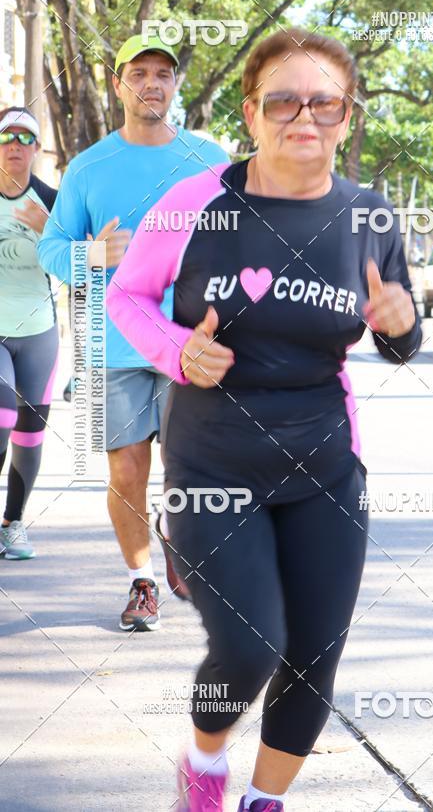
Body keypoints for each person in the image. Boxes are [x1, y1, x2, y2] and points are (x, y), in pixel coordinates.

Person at [107, 27, 422, 811]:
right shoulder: (196, 201)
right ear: (252, 111)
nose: (303, 117)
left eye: (324, 101)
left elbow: (403, 339)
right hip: (213, 463)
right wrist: (179, 352)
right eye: (283, 99)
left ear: (348, 117)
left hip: (324, 465)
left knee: (314, 653)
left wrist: (400, 324)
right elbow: (127, 296)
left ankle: (263, 802)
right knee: (250, 647)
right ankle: (205, 758)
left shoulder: (370, 218)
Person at [37, 34, 228, 629]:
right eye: (139, 72)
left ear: (175, 86)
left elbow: (243, 236)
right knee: (125, 470)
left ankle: (177, 531)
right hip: (110, 344)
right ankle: (140, 582)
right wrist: (91, 253)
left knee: (188, 470)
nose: (152, 83)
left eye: (163, 74)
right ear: (119, 84)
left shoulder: (210, 158)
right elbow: (51, 246)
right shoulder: (89, 166)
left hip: (189, 342)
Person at [0, 106, 59, 560]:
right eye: (7, 137)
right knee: (1, 416)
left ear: (37, 149)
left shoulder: (53, 200)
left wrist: (52, 231)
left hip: (39, 332)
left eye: (25, 137)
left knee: (29, 434)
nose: (15, 144)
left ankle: (12, 524)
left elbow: (89, 263)